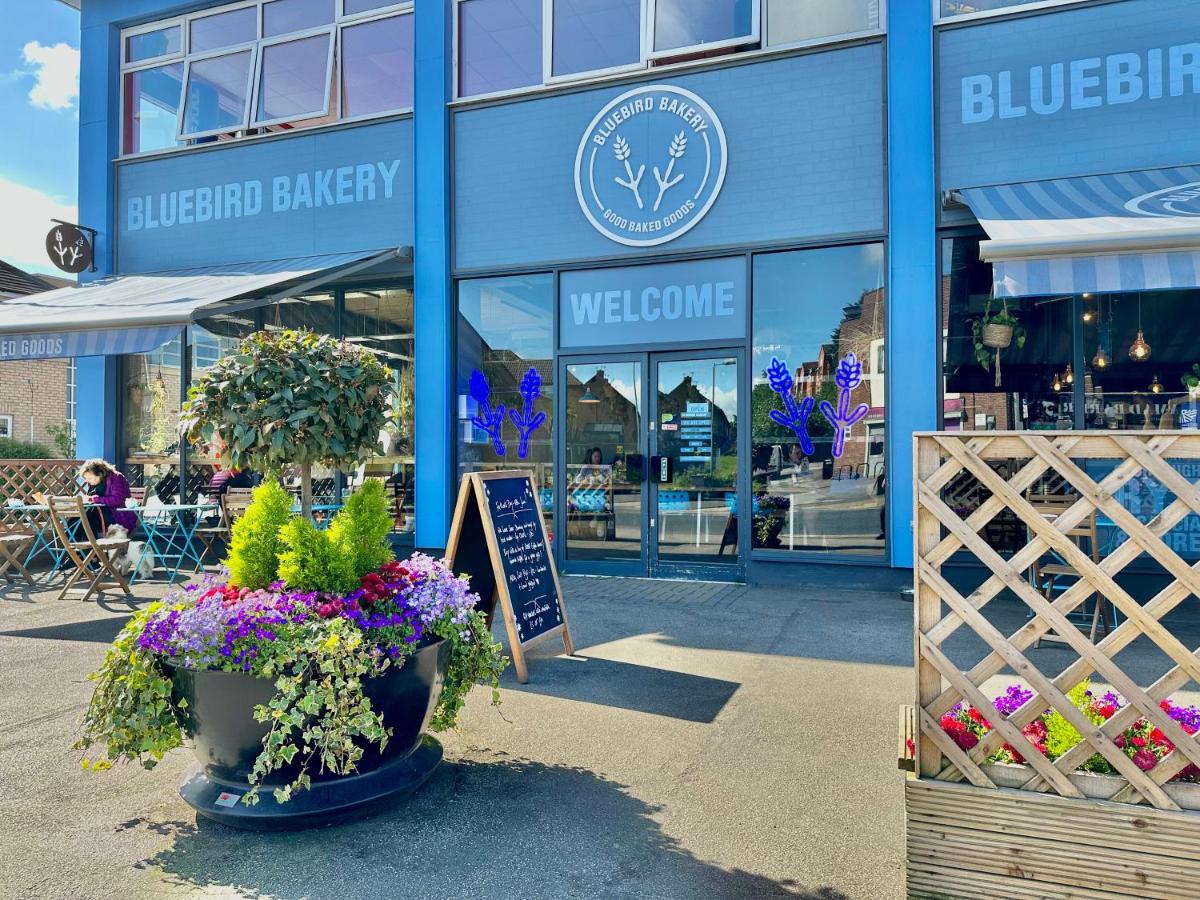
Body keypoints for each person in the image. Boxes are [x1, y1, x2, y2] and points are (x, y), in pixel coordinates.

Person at [79, 459, 137, 536]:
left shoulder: (116, 478)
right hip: (100, 514)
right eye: (86, 478)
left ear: (100, 474)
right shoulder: (94, 483)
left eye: (89, 478)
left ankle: (87, 542)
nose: (87, 481)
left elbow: (118, 499)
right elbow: (93, 498)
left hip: (118, 515)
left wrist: (95, 499)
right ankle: (76, 541)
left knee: (87, 515)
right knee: (79, 516)